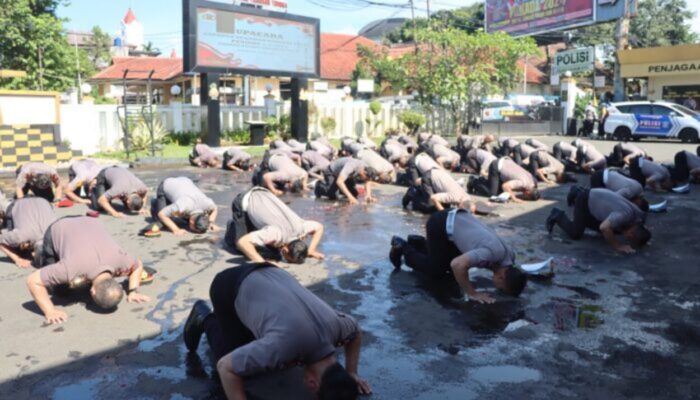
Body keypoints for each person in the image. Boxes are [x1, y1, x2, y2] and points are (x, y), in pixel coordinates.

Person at [182, 263, 370, 399]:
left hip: (270, 272)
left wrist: (352, 373)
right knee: (232, 358)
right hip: (228, 286)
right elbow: (226, 367)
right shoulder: (284, 347)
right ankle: (204, 316)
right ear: (313, 384)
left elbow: (355, 331)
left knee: (260, 350)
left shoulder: (337, 329)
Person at [26, 217, 150, 324]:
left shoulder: (121, 262)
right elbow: (33, 281)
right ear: (92, 290)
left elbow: (138, 264)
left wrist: (133, 291)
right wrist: (50, 311)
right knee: (61, 291)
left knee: (73, 283)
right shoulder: (69, 269)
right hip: (58, 227)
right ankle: (39, 251)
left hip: (89, 220)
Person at [389, 209, 527, 303]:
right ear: (501, 277)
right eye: (501, 288)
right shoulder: (492, 254)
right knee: (436, 270)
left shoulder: (509, 257)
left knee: (450, 271)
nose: (497, 289)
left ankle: (419, 243)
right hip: (440, 224)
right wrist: (472, 293)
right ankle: (404, 247)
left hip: (455, 222)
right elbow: (457, 264)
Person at [226, 187, 324, 263]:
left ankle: (251, 226)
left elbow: (319, 227)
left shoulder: (302, 228)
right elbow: (243, 242)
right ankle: (232, 227)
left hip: (265, 193)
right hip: (244, 200)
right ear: (285, 250)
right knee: (240, 248)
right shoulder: (276, 233)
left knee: (272, 251)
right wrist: (263, 263)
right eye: (288, 260)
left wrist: (311, 250)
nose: (286, 261)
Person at [546, 187, 650, 254]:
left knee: (613, 231)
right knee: (576, 234)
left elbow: (642, 225)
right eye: (629, 239)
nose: (627, 239)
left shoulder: (639, 217)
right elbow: (604, 227)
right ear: (631, 233)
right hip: (585, 200)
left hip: (598, 196)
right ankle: (558, 215)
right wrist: (618, 246)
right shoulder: (624, 215)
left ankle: (581, 216)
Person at [151, 176, 220, 236]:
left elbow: (215, 208)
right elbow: (162, 214)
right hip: (166, 185)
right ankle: (154, 203)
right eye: (193, 230)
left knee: (178, 214)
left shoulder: (206, 204)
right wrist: (176, 229)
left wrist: (211, 223)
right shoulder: (183, 205)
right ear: (191, 222)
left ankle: (170, 205)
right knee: (163, 221)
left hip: (185, 181)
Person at [0, 197, 56, 268]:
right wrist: (17, 259)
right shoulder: (20, 236)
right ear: (33, 253)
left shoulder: (58, 231)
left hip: (42, 200)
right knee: (17, 250)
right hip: (15, 205)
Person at [469, 157, 540, 203]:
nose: (524, 198)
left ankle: (485, 181)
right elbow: (505, 186)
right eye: (526, 198)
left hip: (506, 163)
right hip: (497, 166)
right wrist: (514, 198)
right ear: (527, 193)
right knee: (492, 193)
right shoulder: (522, 183)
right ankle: (473, 181)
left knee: (501, 192)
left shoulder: (534, 182)